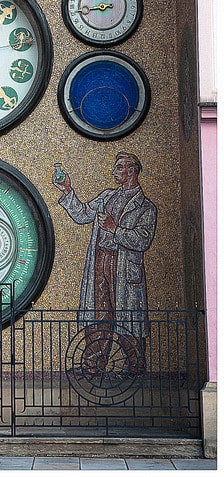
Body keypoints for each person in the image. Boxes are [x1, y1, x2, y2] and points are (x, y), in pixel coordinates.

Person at [54, 153, 156, 373]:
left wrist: (114, 229)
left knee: (128, 316)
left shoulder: (146, 207)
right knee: (99, 312)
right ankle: (92, 364)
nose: (114, 172)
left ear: (132, 171)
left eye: (119, 168)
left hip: (124, 266)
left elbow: (143, 240)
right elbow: (82, 215)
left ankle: (134, 367)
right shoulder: (107, 196)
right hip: (100, 259)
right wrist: (67, 191)